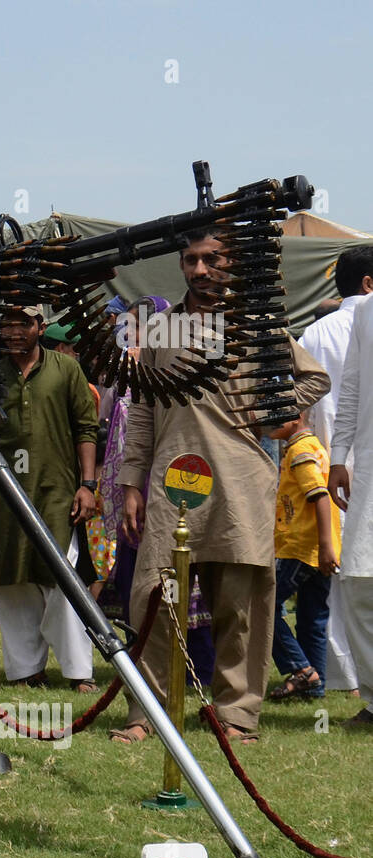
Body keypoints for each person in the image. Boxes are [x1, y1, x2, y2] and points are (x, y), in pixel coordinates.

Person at [114, 230, 329, 743]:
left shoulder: (257, 325)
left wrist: (272, 412)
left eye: (212, 259)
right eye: (191, 260)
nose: (200, 269)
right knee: (152, 597)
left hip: (241, 478)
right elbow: (142, 410)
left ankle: (236, 715)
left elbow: (314, 378)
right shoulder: (161, 330)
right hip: (171, 478)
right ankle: (147, 715)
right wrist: (130, 482)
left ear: (231, 263)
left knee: (242, 602)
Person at [0, 305, 99, 692]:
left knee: (61, 578)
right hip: (5, 491)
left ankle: (78, 670)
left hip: (57, 490)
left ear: (41, 326)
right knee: (12, 580)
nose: (15, 330)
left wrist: (88, 485)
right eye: (8, 322)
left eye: (24, 322)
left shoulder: (67, 369)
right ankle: (24, 670)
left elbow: (86, 428)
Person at [298, 245, 373, 695]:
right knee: (353, 578)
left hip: (332, 466)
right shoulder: (361, 320)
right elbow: (346, 396)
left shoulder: (317, 333)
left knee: (339, 583)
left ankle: (346, 678)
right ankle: (360, 689)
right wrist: (339, 457)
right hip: (348, 469)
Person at [267, 410, 339, 699]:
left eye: (275, 414)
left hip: (302, 549)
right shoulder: (310, 447)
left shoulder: (300, 449)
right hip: (317, 548)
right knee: (312, 617)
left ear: (296, 417)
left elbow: (320, 495)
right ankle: (315, 686)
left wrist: (325, 547)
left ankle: (301, 670)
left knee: (262, 604)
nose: (267, 419)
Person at [330, 298, 373, 726]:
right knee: (360, 581)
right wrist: (338, 454)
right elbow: (352, 385)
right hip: (370, 465)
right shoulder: (366, 311)